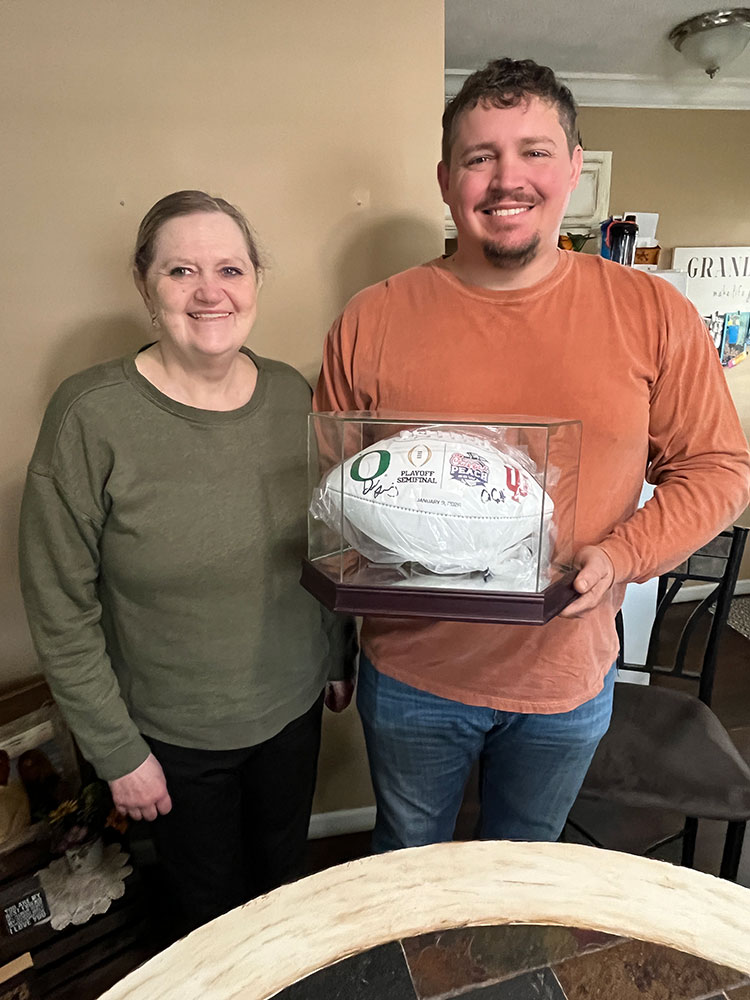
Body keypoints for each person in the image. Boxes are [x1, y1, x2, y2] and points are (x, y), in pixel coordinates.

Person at [314, 59, 750, 852]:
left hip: (566, 678)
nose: (506, 179)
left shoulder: (652, 311)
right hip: (411, 678)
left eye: (535, 151)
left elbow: (720, 468)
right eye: (481, 157)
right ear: (447, 180)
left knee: (525, 873)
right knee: (406, 865)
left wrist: (623, 555)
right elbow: (332, 497)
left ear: (575, 169)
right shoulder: (372, 318)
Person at [19, 190, 357, 930]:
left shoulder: (290, 396)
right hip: (170, 739)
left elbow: (321, 538)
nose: (211, 292)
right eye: (181, 272)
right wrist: (116, 752)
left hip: (290, 711)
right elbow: (59, 606)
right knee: (203, 917)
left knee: (279, 891)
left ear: (256, 283)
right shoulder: (89, 417)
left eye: (230, 269)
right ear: (145, 286)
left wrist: (335, 656)